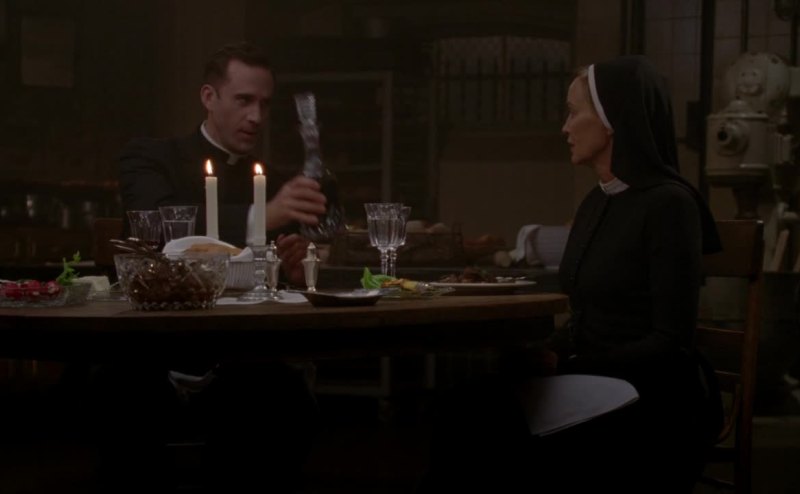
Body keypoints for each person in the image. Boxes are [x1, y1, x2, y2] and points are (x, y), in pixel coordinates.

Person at [419, 56, 723, 493]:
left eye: (574, 112)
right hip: (591, 374)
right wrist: (548, 352)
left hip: (654, 394)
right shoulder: (596, 202)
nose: (564, 127)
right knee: (460, 404)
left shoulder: (669, 205)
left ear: (611, 120)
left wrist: (568, 362)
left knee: (484, 422)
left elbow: (671, 341)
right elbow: (586, 318)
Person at [92, 42, 326, 493]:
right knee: (118, 395)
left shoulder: (274, 181)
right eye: (244, 100)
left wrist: (294, 269)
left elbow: (279, 278)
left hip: (241, 361)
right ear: (208, 97)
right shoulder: (150, 158)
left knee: (285, 402)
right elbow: (156, 227)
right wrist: (260, 217)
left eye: (264, 104)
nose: (256, 116)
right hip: (153, 355)